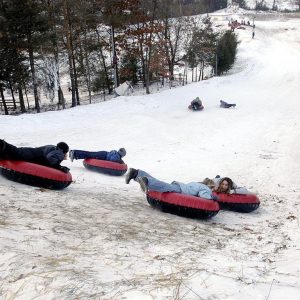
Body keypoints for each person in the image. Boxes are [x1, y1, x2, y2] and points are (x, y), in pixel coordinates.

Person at [125, 168, 217, 200]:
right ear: (210, 186)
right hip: (180, 189)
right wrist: (212, 197)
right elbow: (203, 195)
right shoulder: (207, 189)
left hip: (179, 186)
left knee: (160, 184)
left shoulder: (197, 184)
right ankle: (146, 181)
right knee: (161, 186)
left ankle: (136, 173)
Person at [0, 139, 70, 172]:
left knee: (14, 153)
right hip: (30, 155)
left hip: (29, 151)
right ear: (64, 151)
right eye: (66, 153)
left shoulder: (53, 147)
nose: (66, 155)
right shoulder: (59, 153)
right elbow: (50, 160)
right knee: (15, 153)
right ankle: (1, 144)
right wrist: (60, 167)